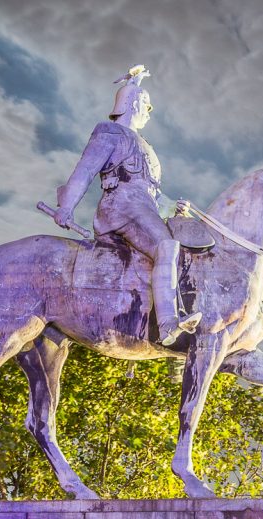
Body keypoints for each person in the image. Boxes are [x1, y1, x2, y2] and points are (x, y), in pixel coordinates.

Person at [53, 65, 202, 346]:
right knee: (167, 246)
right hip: (120, 207)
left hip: (141, 208)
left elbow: (151, 194)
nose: (149, 111)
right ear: (132, 103)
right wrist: (67, 206)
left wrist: (172, 207)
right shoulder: (109, 132)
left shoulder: (147, 147)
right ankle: (168, 323)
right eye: (146, 104)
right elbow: (84, 171)